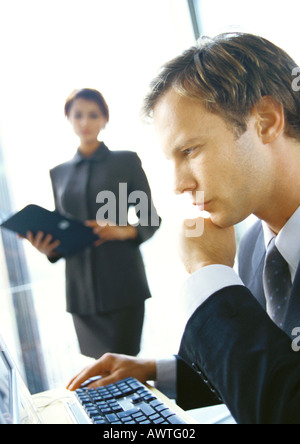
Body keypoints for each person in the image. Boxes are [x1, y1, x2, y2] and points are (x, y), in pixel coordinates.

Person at [67, 34, 300, 424]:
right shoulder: (256, 247)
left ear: (265, 120)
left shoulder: (230, 254)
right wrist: (156, 371)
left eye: (189, 151)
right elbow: (265, 367)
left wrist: (209, 272)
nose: (178, 185)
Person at [26, 88, 161, 359]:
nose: (85, 122)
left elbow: (150, 218)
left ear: (105, 120)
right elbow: (63, 230)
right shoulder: (59, 173)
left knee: (126, 367)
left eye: (93, 115)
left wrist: (123, 231)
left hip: (123, 285)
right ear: (69, 119)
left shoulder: (126, 161)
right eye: (78, 115)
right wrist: (49, 249)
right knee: (96, 374)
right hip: (81, 294)